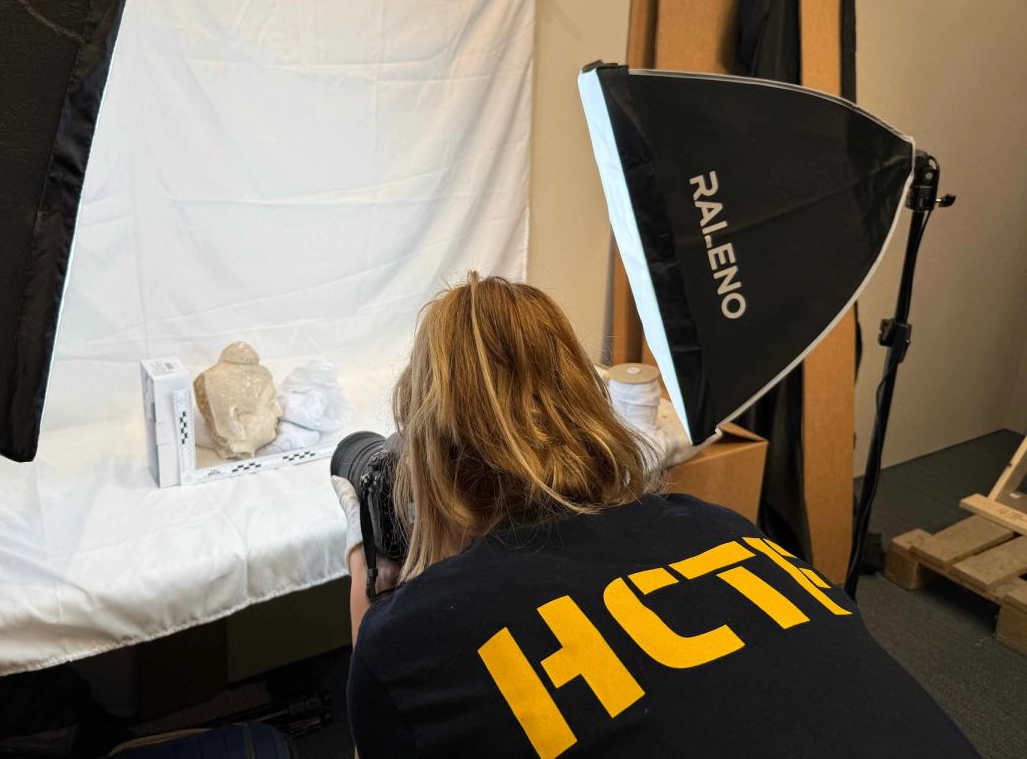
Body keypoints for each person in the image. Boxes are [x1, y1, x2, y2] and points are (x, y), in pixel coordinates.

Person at [332, 273, 975, 758]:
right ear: (587, 408)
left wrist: (372, 596)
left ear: (428, 461)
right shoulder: (720, 527)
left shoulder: (415, 638)